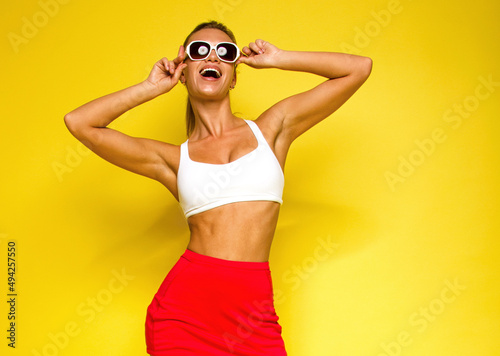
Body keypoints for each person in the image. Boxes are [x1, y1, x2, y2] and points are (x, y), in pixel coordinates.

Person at [64, 20, 372, 356]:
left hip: (254, 318)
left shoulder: (272, 130)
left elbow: (358, 68)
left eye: (224, 52)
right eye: (199, 51)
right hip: (184, 317)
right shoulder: (172, 160)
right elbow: (80, 123)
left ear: (234, 74)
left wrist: (278, 58)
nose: (212, 58)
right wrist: (149, 88)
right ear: (184, 69)